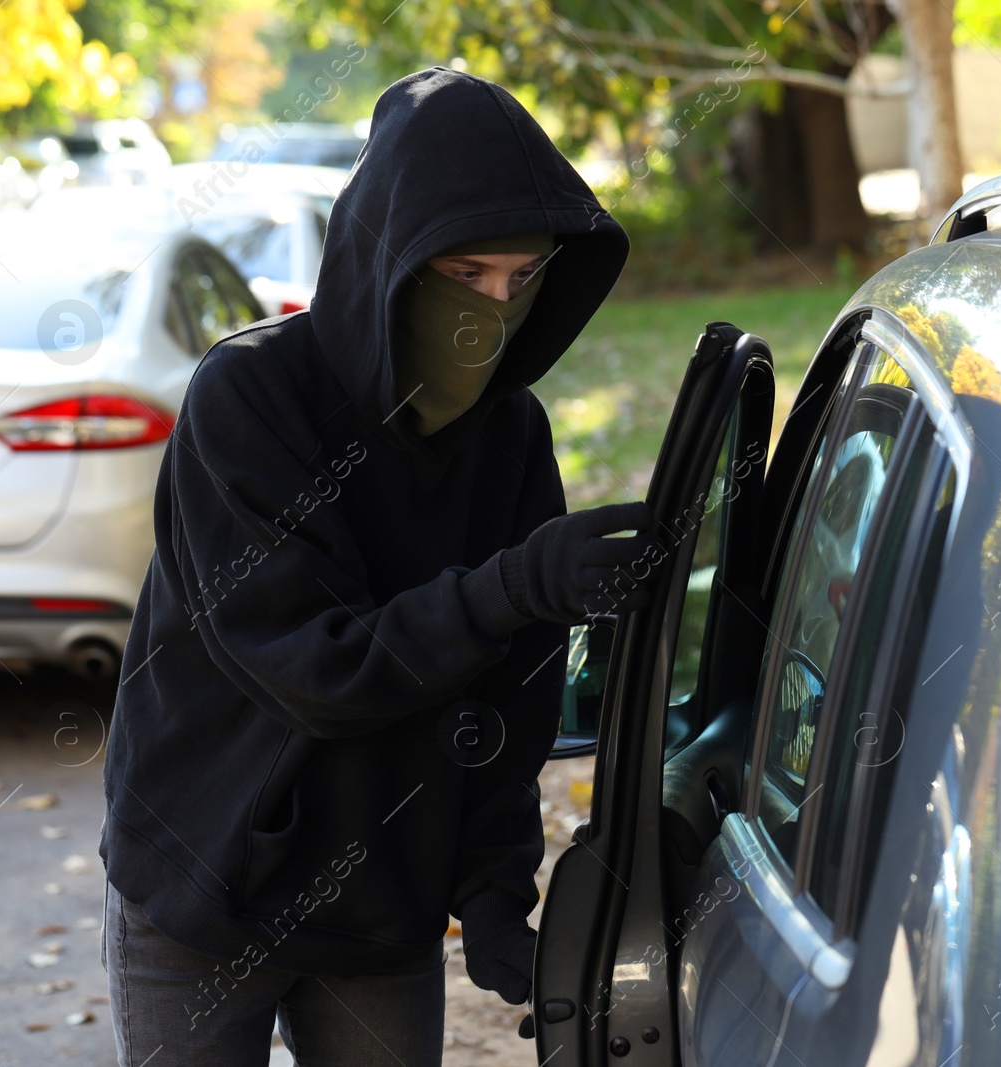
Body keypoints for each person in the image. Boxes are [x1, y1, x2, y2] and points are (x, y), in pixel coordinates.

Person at [99, 66, 660, 1066]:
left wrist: (493, 891)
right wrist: (512, 585)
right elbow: (313, 670)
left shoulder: (510, 437)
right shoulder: (250, 400)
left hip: (378, 908)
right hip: (198, 887)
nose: (492, 309)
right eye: (464, 273)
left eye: (519, 279)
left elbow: (507, 699)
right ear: (387, 257)